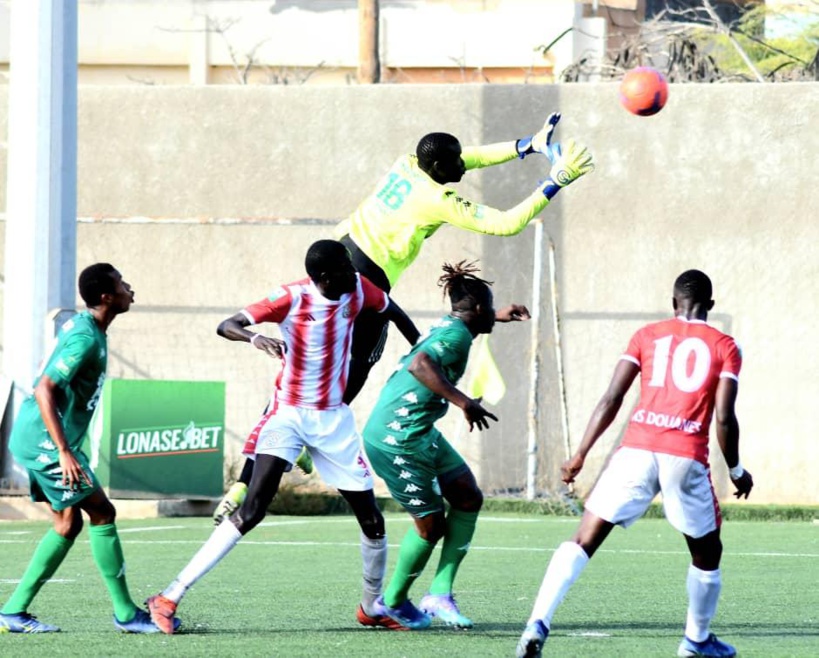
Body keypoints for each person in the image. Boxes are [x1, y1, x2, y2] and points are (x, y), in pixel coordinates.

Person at [214, 112, 595, 522]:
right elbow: (505, 224)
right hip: (361, 281)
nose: (462, 168)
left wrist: (526, 145)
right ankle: (306, 442)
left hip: (337, 257)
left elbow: (468, 156)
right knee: (352, 370)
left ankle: (243, 483)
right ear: (436, 168)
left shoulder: (407, 163)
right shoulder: (435, 199)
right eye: (454, 165)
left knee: (301, 373)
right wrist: (558, 178)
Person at [146, 239, 420, 634]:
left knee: (372, 521)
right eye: (344, 270)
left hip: (333, 422)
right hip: (287, 415)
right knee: (253, 509)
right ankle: (168, 596)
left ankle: (370, 606)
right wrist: (254, 338)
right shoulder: (290, 297)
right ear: (323, 278)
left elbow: (394, 312)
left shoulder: (359, 288)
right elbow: (227, 325)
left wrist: (421, 353)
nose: (353, 275)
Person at [515, 269, 754, 658]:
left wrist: (580, 454)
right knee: (707, 553)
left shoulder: (647, 336)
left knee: (583, 540)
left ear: (673, 303)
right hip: (684, 454)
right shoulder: (726, 345)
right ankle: (696, 640)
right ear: (710, 305)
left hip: (636, 449)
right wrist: (737, 469)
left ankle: (537, 622)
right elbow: (725, 418)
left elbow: (612, 398)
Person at [0, 263, 178, 634]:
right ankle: (126, 614)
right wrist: (64, 451)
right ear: (106, 297)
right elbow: (43, 388)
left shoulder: (91, 328)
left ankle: (13, 612)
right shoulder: (85, 337)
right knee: (102, 511)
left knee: (67, 524)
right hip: (45, 441)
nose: (131, 288)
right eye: (122, 284)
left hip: (42, 438)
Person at [360, 261, 530, 630]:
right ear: (478, 310)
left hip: (419, 432)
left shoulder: (453, 326)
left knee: (468, 496)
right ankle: (391, 602)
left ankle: (439, 594)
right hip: (398, 439)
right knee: (431, 527)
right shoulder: (455, 337)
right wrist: (464, 401)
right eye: (491, 305)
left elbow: (454, 329)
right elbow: (419, 364)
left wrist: (496, 315)